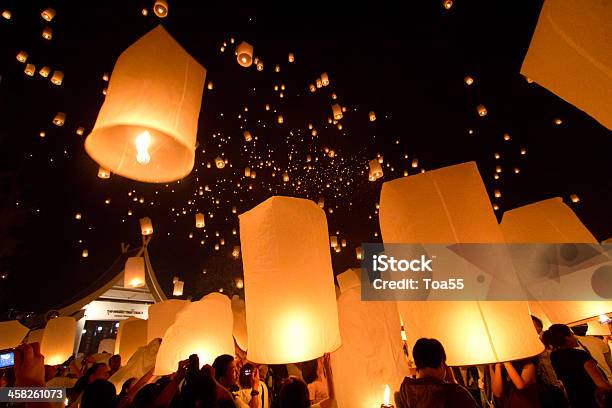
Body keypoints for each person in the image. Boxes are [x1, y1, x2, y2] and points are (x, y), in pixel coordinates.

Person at [395, 338, 479, 408]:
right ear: (442, 362)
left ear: (416, 363)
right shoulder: (454, 393)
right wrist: (454, 383)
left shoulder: (405, 390)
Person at [546, 324, 612, 408]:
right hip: (593, 400)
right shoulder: (580, 355)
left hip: (576, 400)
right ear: (567, 338)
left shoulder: (554, 356)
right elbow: (600, 383)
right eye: (572, 334)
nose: (575, 337)